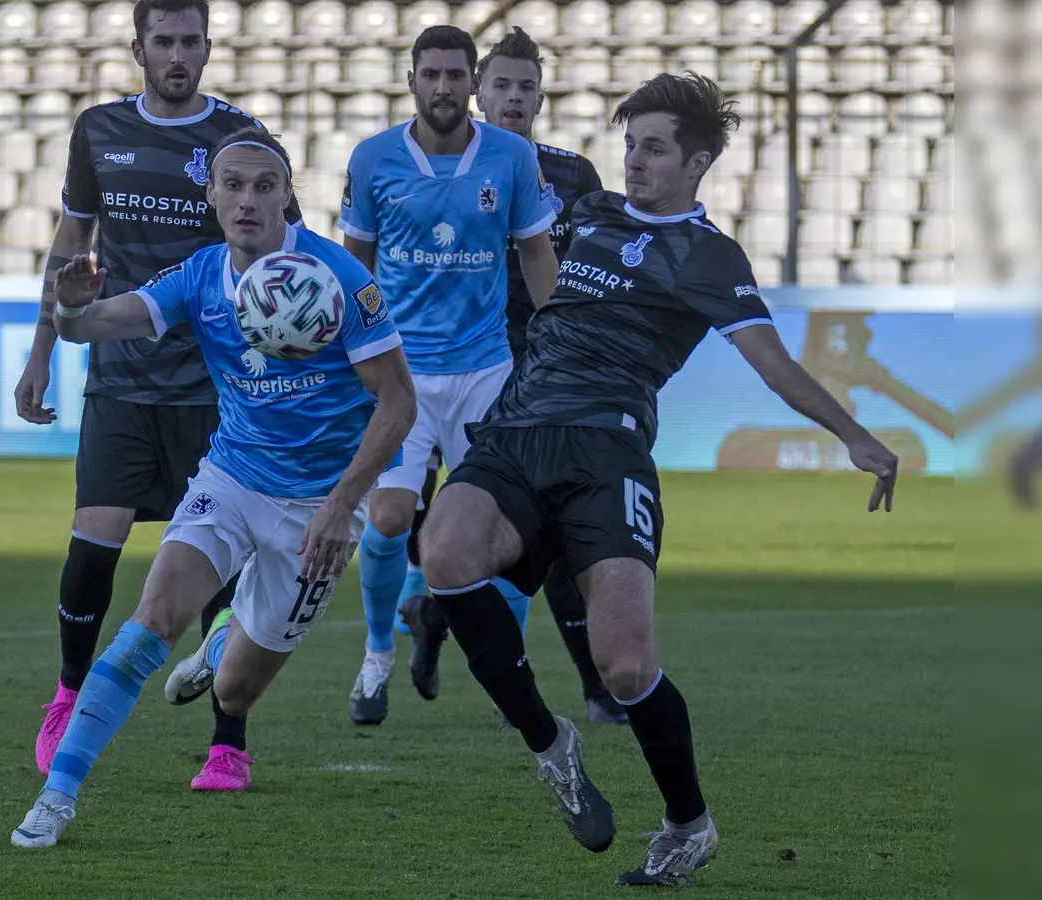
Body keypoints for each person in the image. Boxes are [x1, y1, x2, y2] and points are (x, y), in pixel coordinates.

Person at [417, 72, 899, 886]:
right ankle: (551, 745)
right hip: (518, 431)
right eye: (630, 145)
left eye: (653, 149)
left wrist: (853, 434)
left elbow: (773, 364)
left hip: (607, 455)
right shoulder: (589, 215)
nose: (634, 162)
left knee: (627, 668)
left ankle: (688, 825)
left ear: (698, 163)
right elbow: (512, 239)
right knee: (445, 552)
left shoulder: (710, 258)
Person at [10, 128, 416, 848]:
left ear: (288, 195)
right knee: (151, 621)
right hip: (232, 478)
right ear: (212, 196)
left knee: (234, 689)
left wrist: (341, 503)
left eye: (264, 186)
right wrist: (69, 309)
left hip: (320, 507)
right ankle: (57, 797)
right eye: (233, 186)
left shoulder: (340, 279)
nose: (247, 200)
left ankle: (226, 637)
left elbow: (399, 403)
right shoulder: (201, 275)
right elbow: (94, 324)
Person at [12, 0, 299, 790]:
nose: (178, 55)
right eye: (164, 41)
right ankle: (68, 697)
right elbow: (70, 243)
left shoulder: (239, 139)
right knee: (92, 546)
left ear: (208, 47)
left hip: (216, 388)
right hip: (122, 379)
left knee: (221, 567)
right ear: (137, 48)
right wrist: (41, 351)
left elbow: (285, 249)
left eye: (190, 42)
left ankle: (228, 744)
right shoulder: (99, 130)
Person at [398, 25, 626, 728]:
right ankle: (558, 682)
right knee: (506, 519)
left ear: (541, 98)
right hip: (465, 363)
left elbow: (592, 265)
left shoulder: (574, 175)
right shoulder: (445, 173)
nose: (515, 98)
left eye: (527, 87)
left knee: (541, 522)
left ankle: (445, 621)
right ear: (478, 92)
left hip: (543, 367)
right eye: (502, 85)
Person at [335, 25, 560, 726]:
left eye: (454, 75)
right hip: (400, 375)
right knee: (388, 520)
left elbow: (536, 253)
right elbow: (353, 265)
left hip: (485, 372)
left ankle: (508, 673)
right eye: (430, 74)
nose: (442, 87)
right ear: (411, 80)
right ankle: (377, 653)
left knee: (507, 530)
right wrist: (350, 360)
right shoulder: (373, 159)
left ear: (471, 83)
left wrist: (560, 340)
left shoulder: (511, 157)